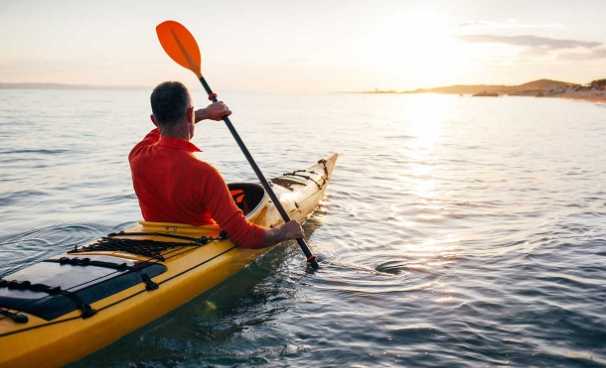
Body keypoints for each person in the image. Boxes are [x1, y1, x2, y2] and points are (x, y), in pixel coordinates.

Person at [129, 81, 303, 248]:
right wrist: (282, 233)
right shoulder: (205, 174)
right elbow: (244, 236)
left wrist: (204, 113)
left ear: (154, 120)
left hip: (155, 243)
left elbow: (154, 135)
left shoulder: (137, 156)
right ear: (190, 114)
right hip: (198, 248)